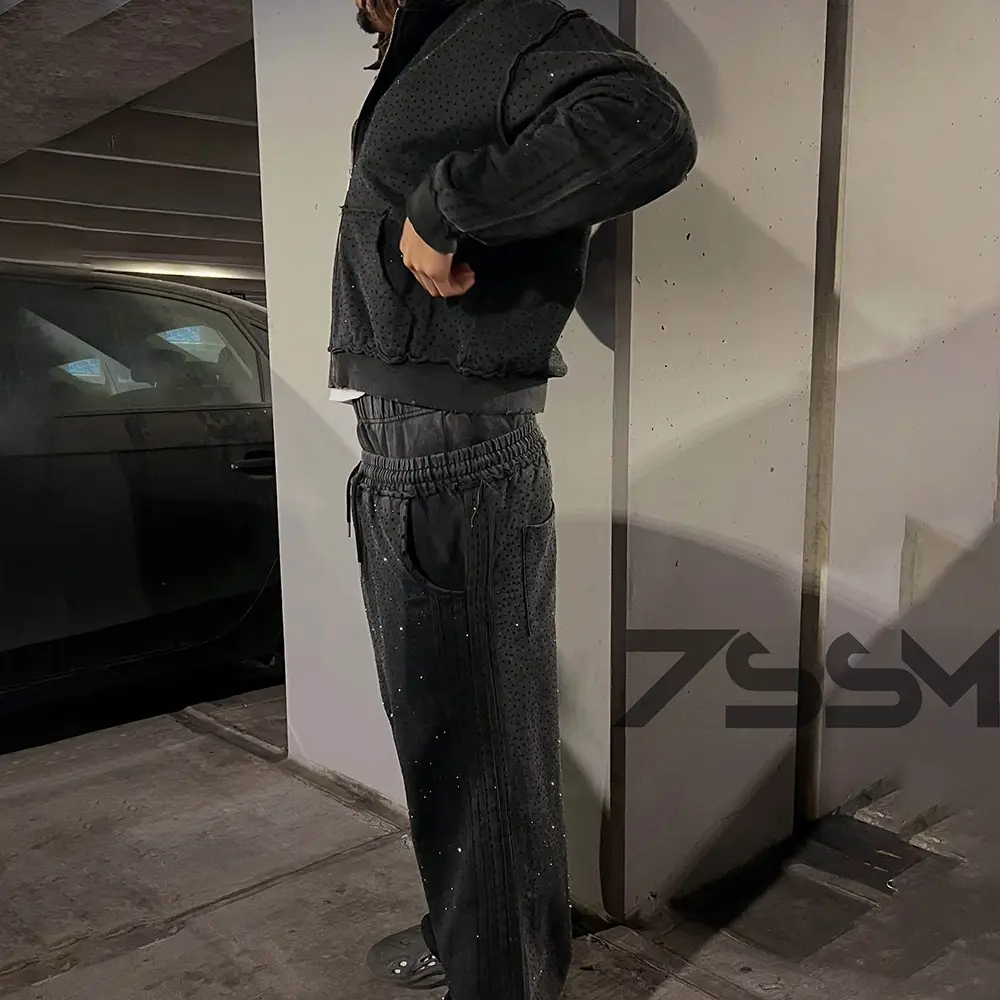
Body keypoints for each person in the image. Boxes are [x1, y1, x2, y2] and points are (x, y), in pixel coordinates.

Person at [334, 0, 696, 996]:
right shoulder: (441, 48)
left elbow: (647, 124)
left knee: (474, 752)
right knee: (460, 742)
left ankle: (499, 974)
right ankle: (481, 942)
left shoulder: (500, 22)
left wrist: (447, 204)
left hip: (448, 448)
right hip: (420, 446)